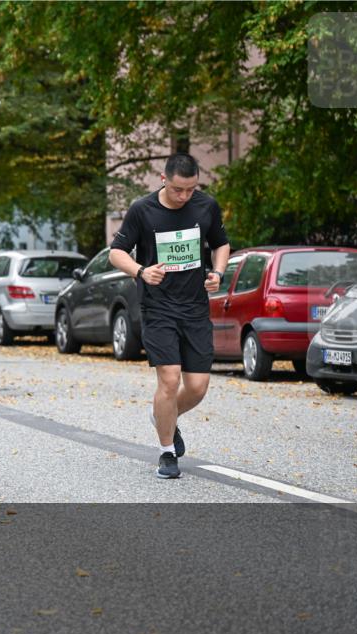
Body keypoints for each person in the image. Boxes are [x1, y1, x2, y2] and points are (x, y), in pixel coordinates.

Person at [109, 153, 230, 479]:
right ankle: (166, 453)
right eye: (178, 189)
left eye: (191, 189)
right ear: (164, 180)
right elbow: (115, 252)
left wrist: (217, 272)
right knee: (170, 378)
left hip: (194, 309)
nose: (184, 196)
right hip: (159, 308)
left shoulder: (206, 206)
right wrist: (141, 271)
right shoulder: (142, 210)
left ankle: (164, 415)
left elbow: (221, 244)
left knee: (198, 386)